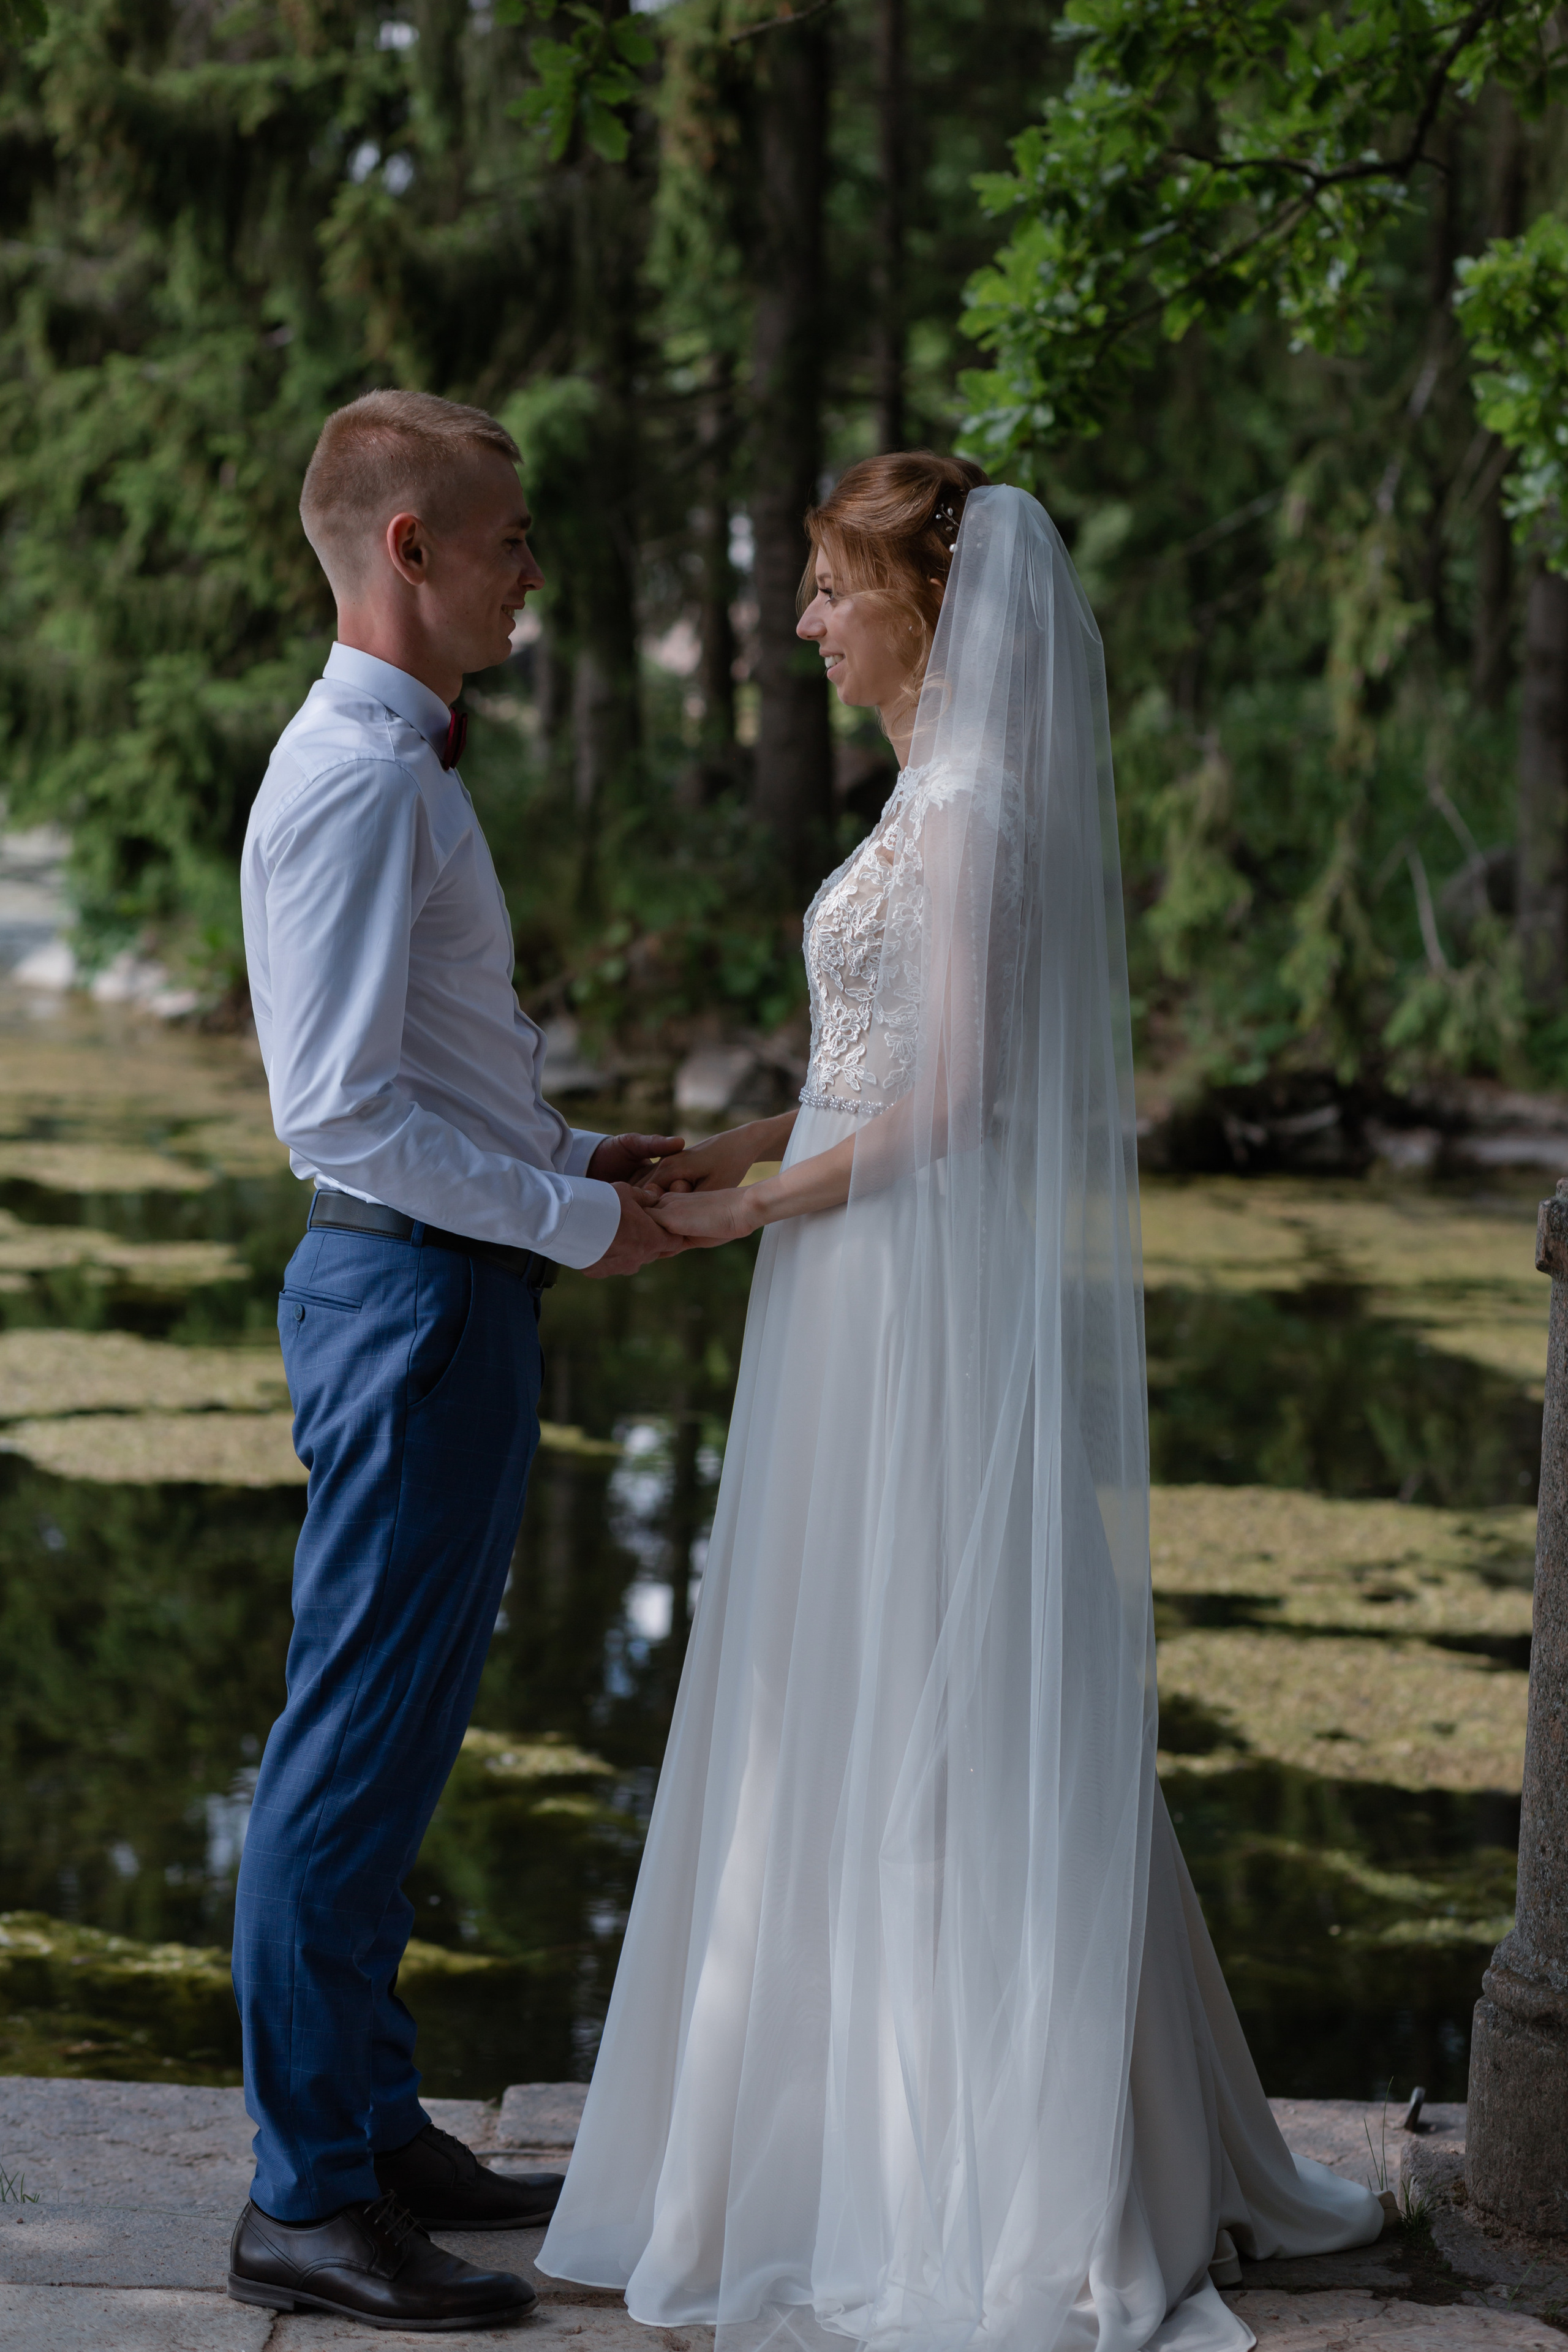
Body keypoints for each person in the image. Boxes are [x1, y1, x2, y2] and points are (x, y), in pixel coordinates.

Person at [540, 456, 1385, 2352]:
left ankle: (974, 2158)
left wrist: (759, 1204)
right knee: (829, 1668)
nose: (805, 624)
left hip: (910, 1289)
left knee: (943, 1667)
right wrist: (729, 1147)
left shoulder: (982, 805)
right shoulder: (919, 797)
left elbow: (968, 1099)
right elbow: (869, 1062)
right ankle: (808, 2122)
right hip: (846, 1273)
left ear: (925, 605)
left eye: (831, 590)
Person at [227, 389, 687, 2334]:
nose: (531, 572)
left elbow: (432, 1071)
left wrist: (579, 1161)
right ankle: (307, 2200)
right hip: (412, 1301)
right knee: (347, 1750)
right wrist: (575, 1225)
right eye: (508, 539)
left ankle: (374, 2127)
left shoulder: (402, 763)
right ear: (408, 548)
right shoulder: (355, 777)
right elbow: (334, 1114)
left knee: (397, 1743)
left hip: (448, 1287)